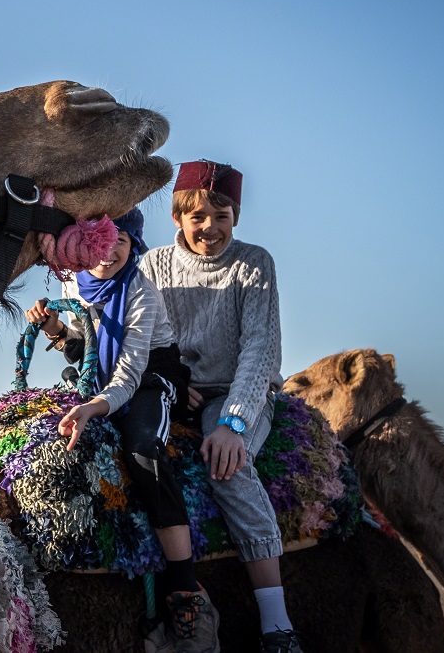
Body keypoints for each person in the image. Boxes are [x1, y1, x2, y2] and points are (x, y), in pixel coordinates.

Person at [30, 209, 218, 653]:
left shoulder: (141, 292)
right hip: (99, 379)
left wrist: (95, 406)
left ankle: (187, 591)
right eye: (99, 240)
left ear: (134, 245)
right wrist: (53, 326)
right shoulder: (72, 284)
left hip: (150, 376)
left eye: (121, 241)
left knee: (144, 450)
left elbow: (131, 372)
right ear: (81, 244)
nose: (110, 252)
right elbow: (84, 348)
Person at [138, 161, 304, 653]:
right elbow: (141, 335)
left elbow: (261, 349)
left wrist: (234, 423)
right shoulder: (153, 266)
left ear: (236, 218)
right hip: (176, 387)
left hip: (235, 391)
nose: (210, 227)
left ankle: (277, 624)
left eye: (222, 216)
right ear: (178, 218)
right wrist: (168, 379)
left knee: (225, 467)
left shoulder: (254, 264)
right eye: (199, 217)